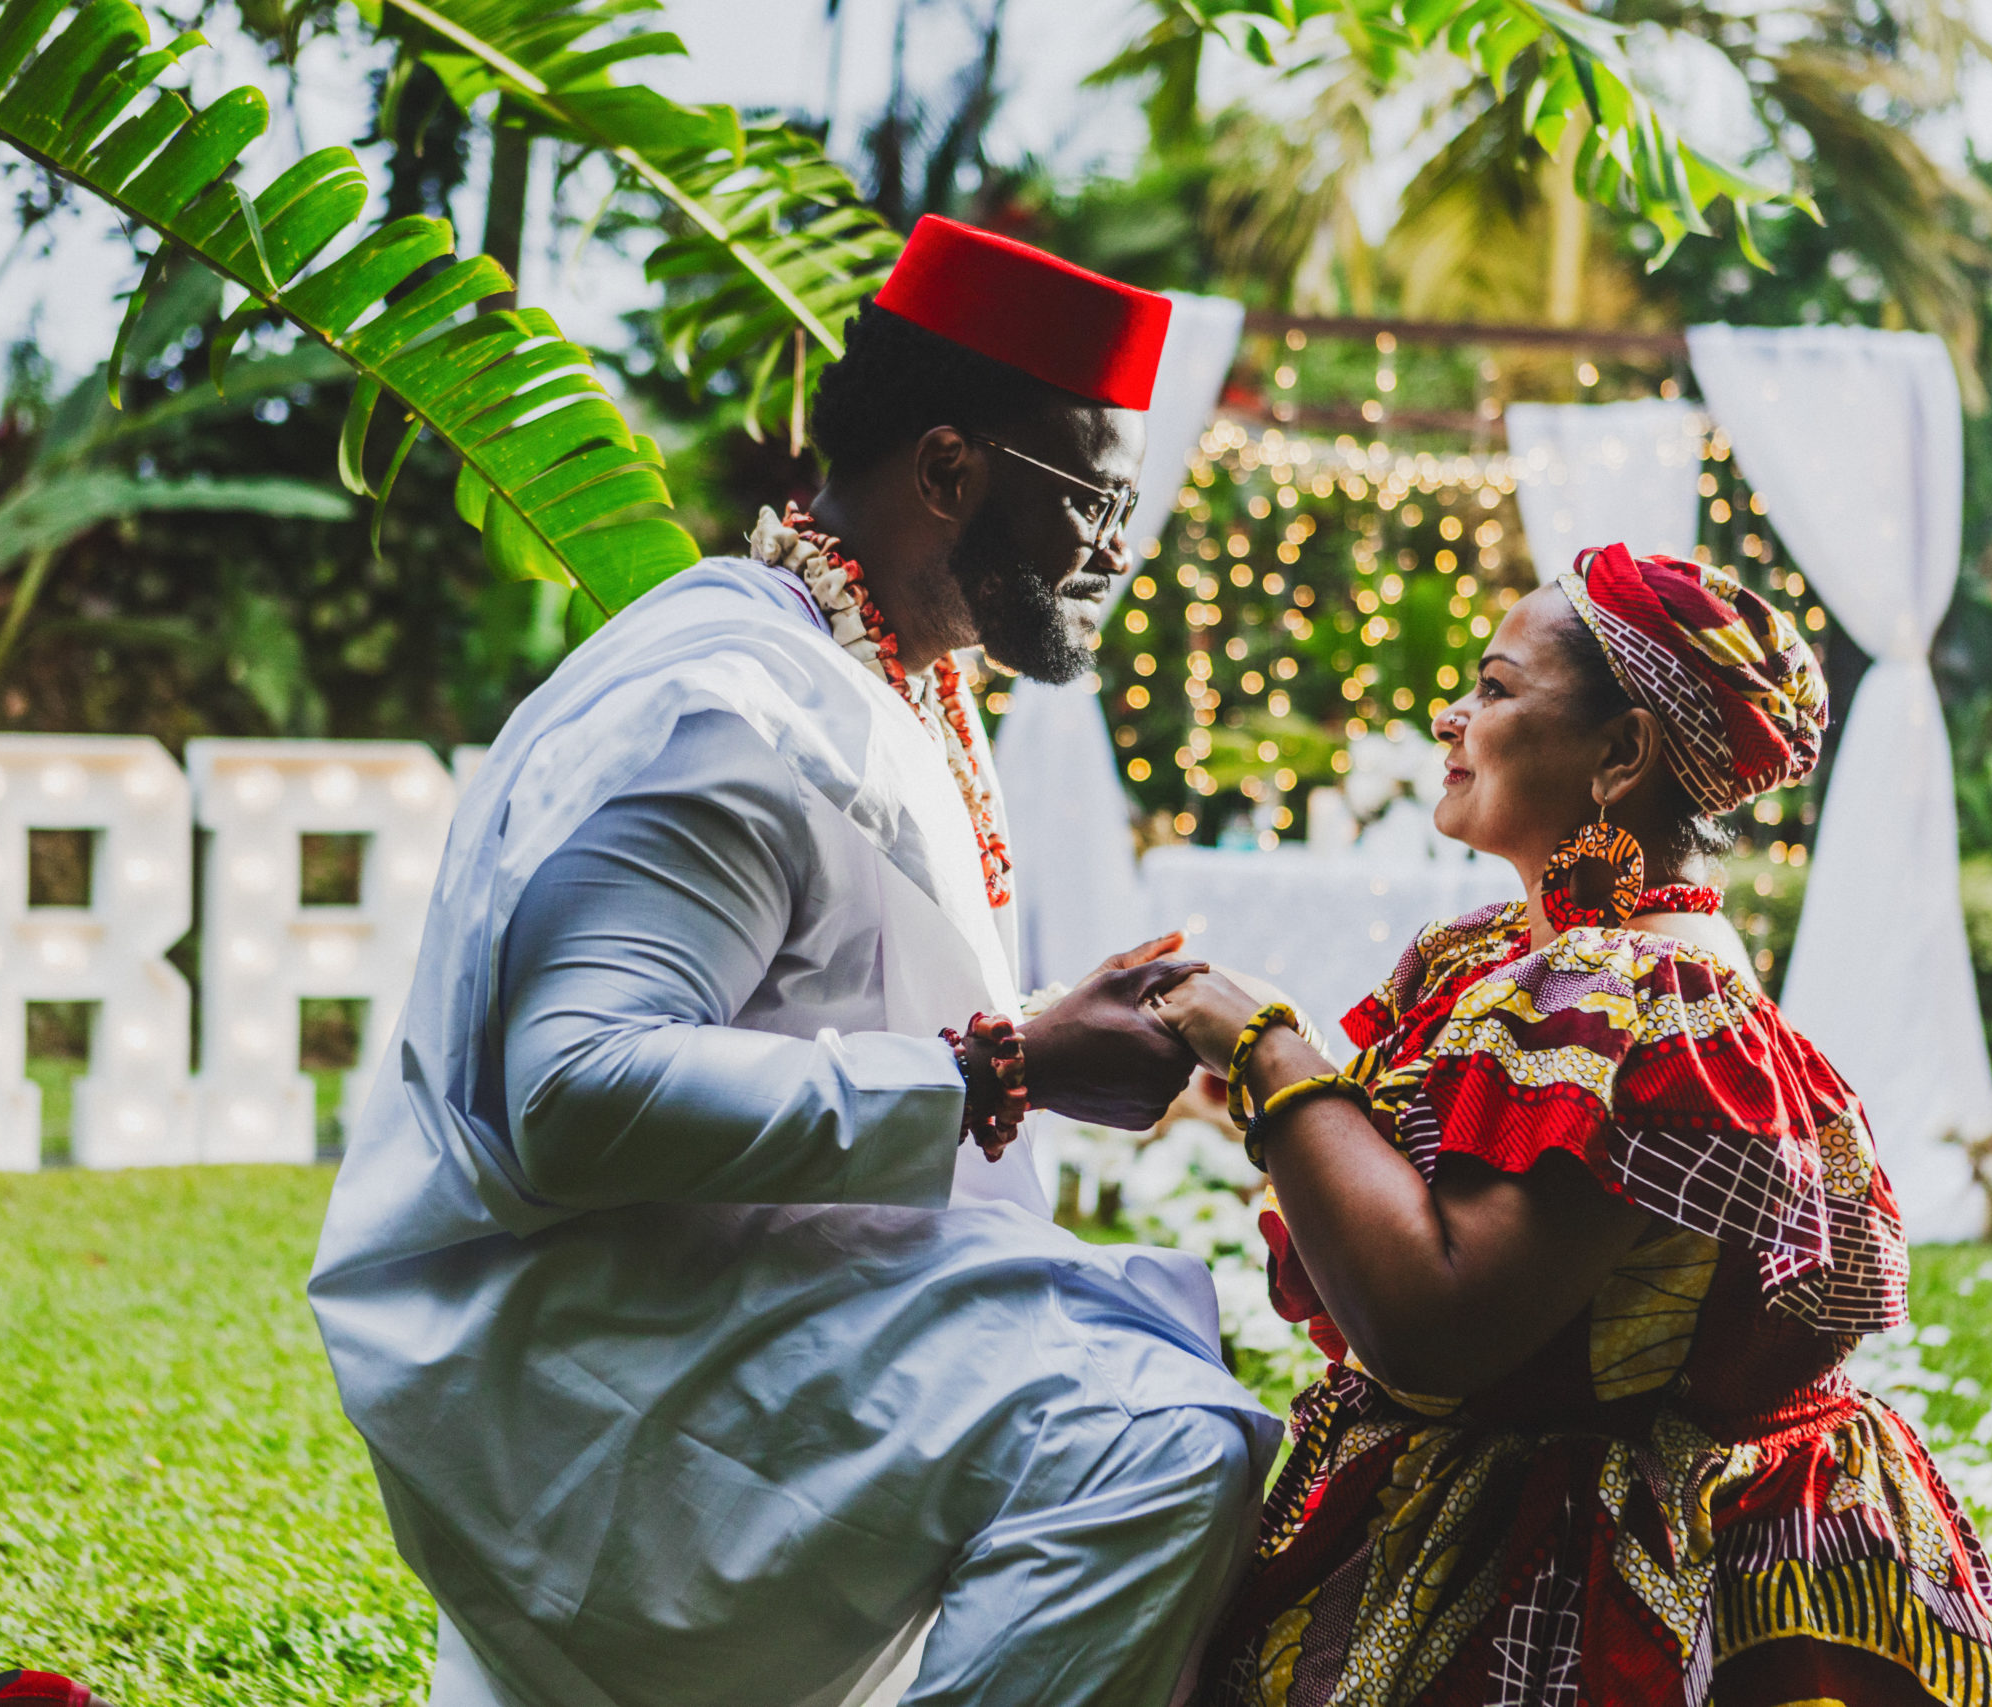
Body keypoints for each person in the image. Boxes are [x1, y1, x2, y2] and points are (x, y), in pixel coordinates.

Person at [307, 215, 1281, 1707]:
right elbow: (571, 1090)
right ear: (948, 470)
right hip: (613, 1360)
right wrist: (1004, 1066)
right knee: (1159, 1441)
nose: (1116, 546)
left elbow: (801, 1007)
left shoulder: (882, 677)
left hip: (742, 1308)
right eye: (1089, 493)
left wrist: (1036, 1038)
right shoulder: (727, 701)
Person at [1152, 544, 1992, 1707]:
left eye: (1497, 689)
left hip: (1587, 1561)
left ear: (1621, 756)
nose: (1454, 717)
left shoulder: (1635, 998)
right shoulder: (1535, 959)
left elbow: (1434, 1323)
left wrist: (1260, 1045)